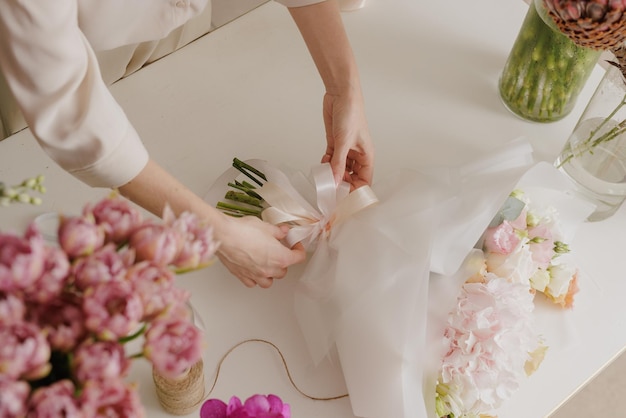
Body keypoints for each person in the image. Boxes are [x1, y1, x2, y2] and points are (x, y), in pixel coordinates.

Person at [0, 0, 374, 288]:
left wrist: (344, 88)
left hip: (176, 22)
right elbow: (67, 111)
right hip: (43, 62)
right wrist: (216, 230)